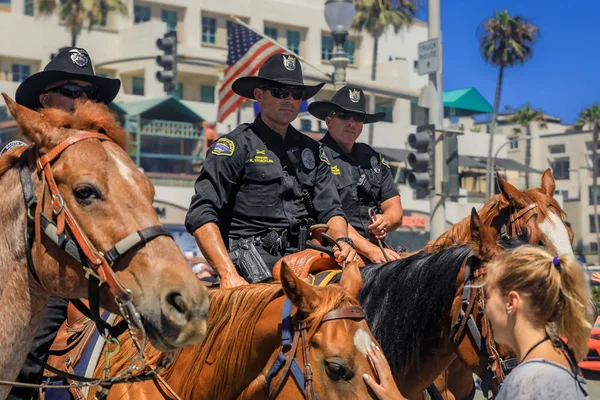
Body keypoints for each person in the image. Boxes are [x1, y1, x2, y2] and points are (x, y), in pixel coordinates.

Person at [185, 53, 356, 288]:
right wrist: (227, 274)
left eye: (296, 94)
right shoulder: (234, 147)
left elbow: (331, 210)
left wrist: (342, 241)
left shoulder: (314, 151)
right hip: (251, 268)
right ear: (259, 95)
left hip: (306, 261)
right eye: (279, 92)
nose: (289, 99)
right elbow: (201, 213)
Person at [8, 46, 121, 400]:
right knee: (26, 358)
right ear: (45, 98)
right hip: (36, 278)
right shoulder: (17, 150)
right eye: (71, 92)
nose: (81, 101)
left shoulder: (108, 155)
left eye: (89, 94)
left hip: (100, 270)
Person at [362, 245, 594, 399]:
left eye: (487, 296)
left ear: (511, 302)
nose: (486, 310)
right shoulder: (559, 364)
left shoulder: (529, 380)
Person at [308, 86, 403, 263]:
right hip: (333, 252)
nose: (351, 123)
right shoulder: (316, 156)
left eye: (358, 118)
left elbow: (395, 211)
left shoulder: (373, 159)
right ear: (329, 121)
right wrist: (370, 250)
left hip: (378, 252)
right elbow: (327, 215)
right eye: (343, 115)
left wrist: (386, 220)